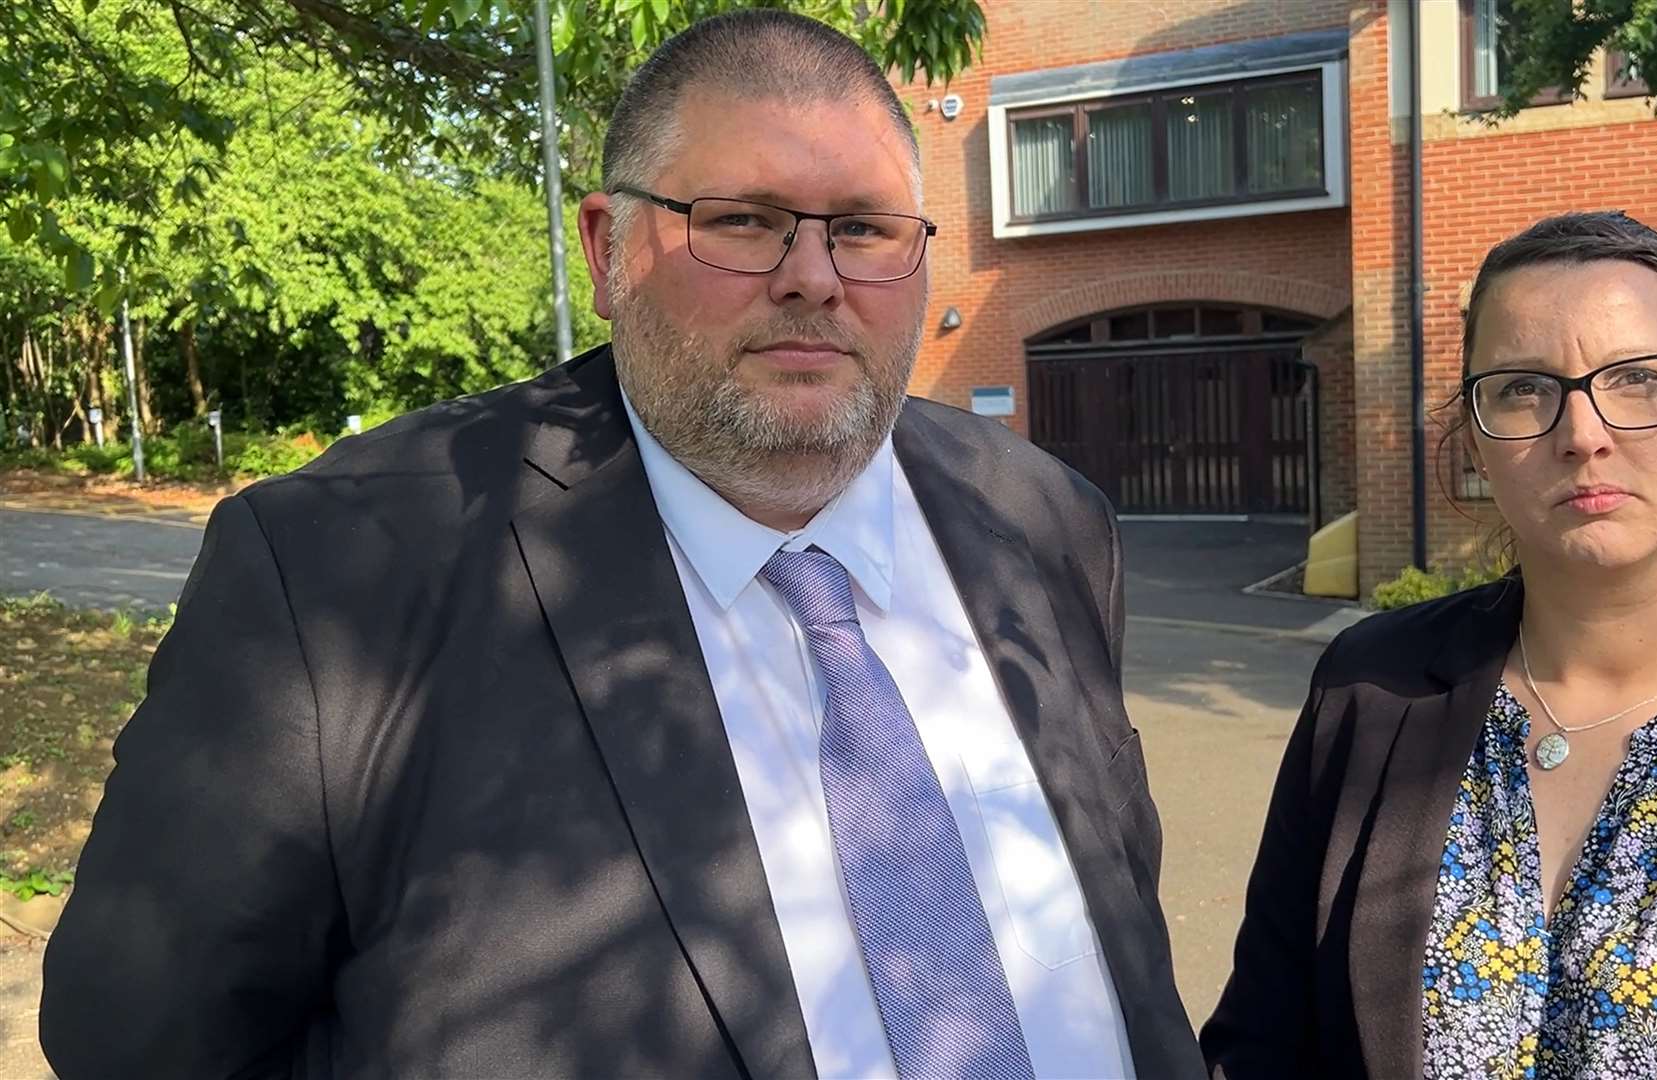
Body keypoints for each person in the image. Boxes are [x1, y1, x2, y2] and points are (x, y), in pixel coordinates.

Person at [40, 12, 1202, 1078]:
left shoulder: (1044, 520)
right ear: (607, 249)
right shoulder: (337, 571)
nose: (813, 277)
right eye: (743, 221)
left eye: (862, 228)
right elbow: (143, 1039)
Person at [1200, 211, 1657, 1079]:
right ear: (1478, 438)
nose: (1583, 434)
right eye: (1523, 388)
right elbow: (1264, 1039)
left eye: (1637, 378)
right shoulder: (1371, 691)